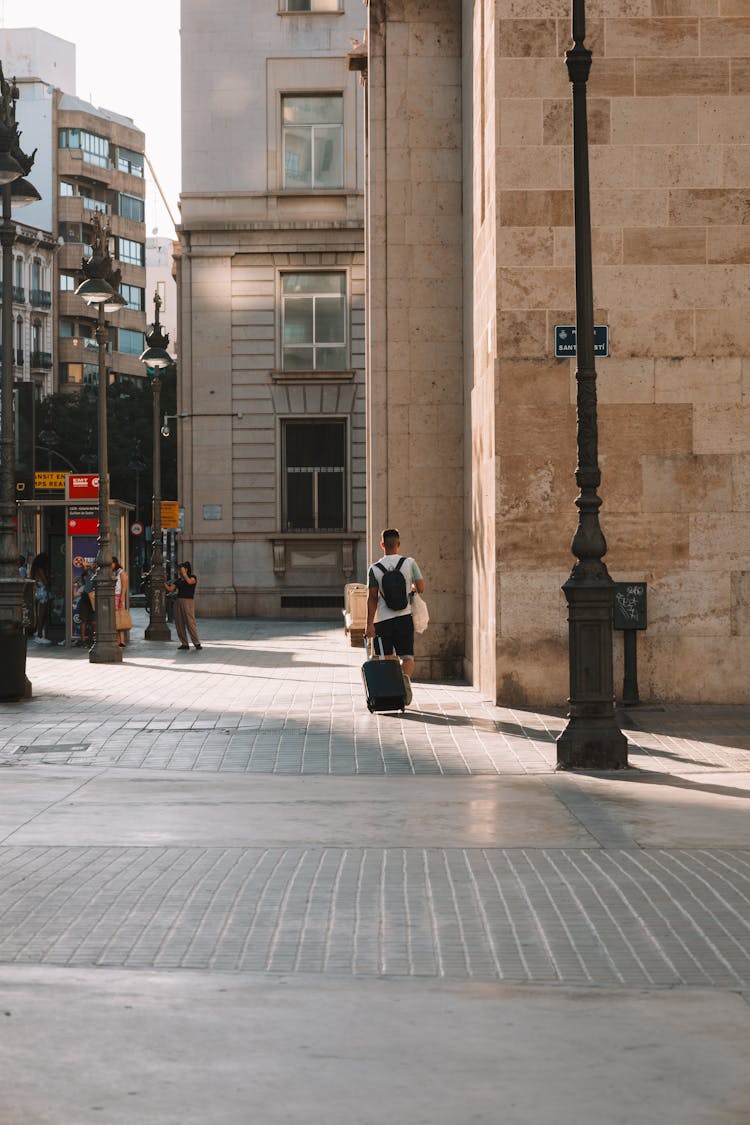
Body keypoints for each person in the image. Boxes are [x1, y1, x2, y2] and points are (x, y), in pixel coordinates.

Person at [365, 528, 424, 706]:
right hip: (404, 617)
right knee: (407, 657)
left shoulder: (374, 569)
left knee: (385, 658)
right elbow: (421, 587)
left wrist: (369, 625)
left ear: (382, 544)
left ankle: (393, 689)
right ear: (398, 544)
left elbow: (372, 598)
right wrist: (410, 588)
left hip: (382, 620)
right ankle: (404, 678)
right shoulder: (410, 563)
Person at [165, 561, 202, 651]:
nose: (180, 571)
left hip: (188, 602)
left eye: (181, 569)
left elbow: (189, 582)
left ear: (186, 569)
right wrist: (164, 582)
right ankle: (184, 643)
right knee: (179, 623)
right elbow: (170, 589)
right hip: (178, 601)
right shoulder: (179, 580)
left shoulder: (193, 577)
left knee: (190, 622)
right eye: (179, 569)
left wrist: (184, 574)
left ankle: (196, 643)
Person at [29, 552, 52, 645]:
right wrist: (49, 579)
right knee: (42, 613)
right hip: (43, 592)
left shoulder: (34, 569)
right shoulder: (40, 569)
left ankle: (39, 632)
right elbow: (45, 581)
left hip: (38, 592)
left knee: (40, 613)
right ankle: (39, 635)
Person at [75, 560, 96, 648]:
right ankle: (83, 640)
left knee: (93, 621)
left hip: (94, 598)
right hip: (86, 597)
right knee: (84, 620)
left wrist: (92, 566)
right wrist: (90, 565)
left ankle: (91, 639)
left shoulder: (98, 572)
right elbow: (84, 564)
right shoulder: (88, 572)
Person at [112, 556, 129, 648]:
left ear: (115, 563)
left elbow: (124, 587)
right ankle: (117, 640)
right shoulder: (113, 572)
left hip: (118, 596)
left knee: (119, 618)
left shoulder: (121, 572)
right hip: (113, 596)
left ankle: (121, 640)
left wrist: (121, 599)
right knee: (115, 619)